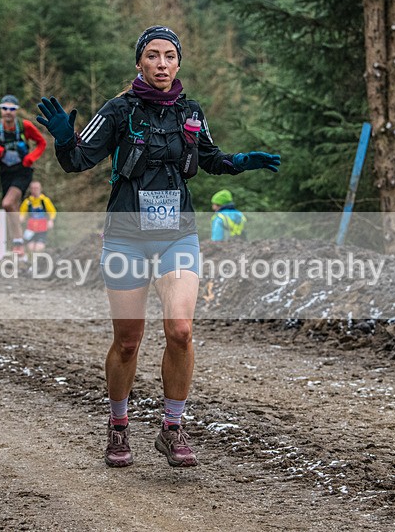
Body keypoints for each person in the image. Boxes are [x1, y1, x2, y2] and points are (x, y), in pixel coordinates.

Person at [36, 25, 280, 468]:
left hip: (177, 235)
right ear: (139, 63)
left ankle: (172, 428)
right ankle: (118, 426)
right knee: (128, 341)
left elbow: (211, 157)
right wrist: (64, 138)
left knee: (181, 331)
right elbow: (76, 161)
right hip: (127, 236)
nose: (162, 64)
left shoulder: (191, 111)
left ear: (179, 63)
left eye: (169, 56)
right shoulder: (117, 110)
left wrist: (240, 162)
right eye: (152, 56)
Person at [0, 94, 47, 257]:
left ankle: (18, 241)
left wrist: (31, 158)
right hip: (5, 172)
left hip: (22, 171)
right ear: (0, 110)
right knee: (12, 208)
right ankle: (20, 246)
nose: (8, 112)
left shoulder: (25, 126)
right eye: (5, 108)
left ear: (16, 111)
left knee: (8, 203)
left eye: (12, 109)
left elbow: (41, 143)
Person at [18, 180, 56, 257]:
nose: (35, 190)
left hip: (42, 228)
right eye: (33, 188)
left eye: (36, 188)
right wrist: (19, 220)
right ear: (30, 189)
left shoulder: (44, 200)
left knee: (39, 247)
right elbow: (22, 213)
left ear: (40, 189)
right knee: (30, 247)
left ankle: (40, 262)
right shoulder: (27, 202)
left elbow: (52, 212)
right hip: (30, 229)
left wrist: (51, 220)